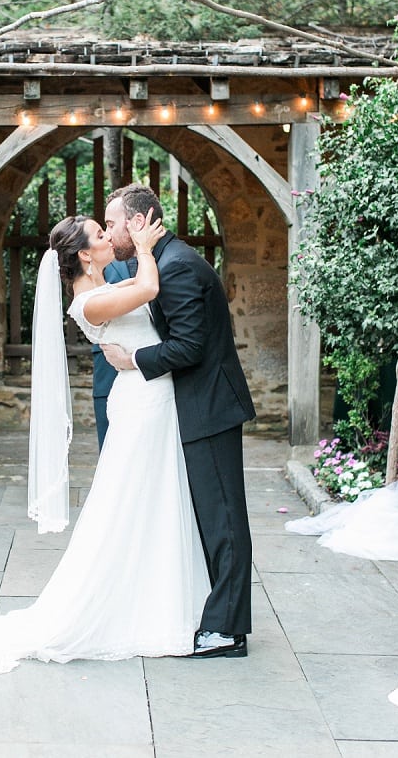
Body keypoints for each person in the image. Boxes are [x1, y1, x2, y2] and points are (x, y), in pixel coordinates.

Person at [0, 210, 210, 676]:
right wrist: (146, 248)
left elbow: (148, 292)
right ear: (86, 254)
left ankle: (159, 597)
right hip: (142, 403)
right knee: (133, 499)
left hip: (150, 395)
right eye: (102, 235)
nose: (110, 238)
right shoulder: (86, 304)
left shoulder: (104, 288)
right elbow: (147, 289)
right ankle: (137, 607)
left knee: (154, 499)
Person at [103, 184, 255, 659]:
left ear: (139, 220)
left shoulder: (180, 267)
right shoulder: (162, 262)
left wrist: (133, 360)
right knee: (211, 519)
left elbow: (189, 347)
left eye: (113, 223)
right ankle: (218, 617)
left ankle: (227, 631)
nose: (110, 232)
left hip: (209, 409)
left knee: (224, 520)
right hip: (194, 407)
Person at [91, 258, 132, 449]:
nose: (107, 236)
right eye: (100, 234)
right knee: (112, 444)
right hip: (109, 364)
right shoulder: (95, 271)